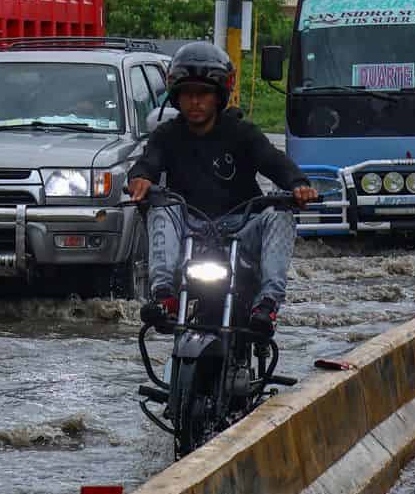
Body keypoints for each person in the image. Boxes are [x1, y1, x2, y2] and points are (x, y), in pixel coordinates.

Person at [127, 42, 319, 340]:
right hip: (190, 229)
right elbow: (148, 162)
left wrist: (298, 185)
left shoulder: (242, 133)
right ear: (176, 97)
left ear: (219, 96)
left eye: (203, 93)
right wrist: (140, 179)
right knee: (161, 206)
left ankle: (267, 304)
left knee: (280, 214)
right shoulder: (167, 135)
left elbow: (273, 160)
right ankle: (163, 296)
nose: (195, 102)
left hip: (241, 229)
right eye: (188, 94)